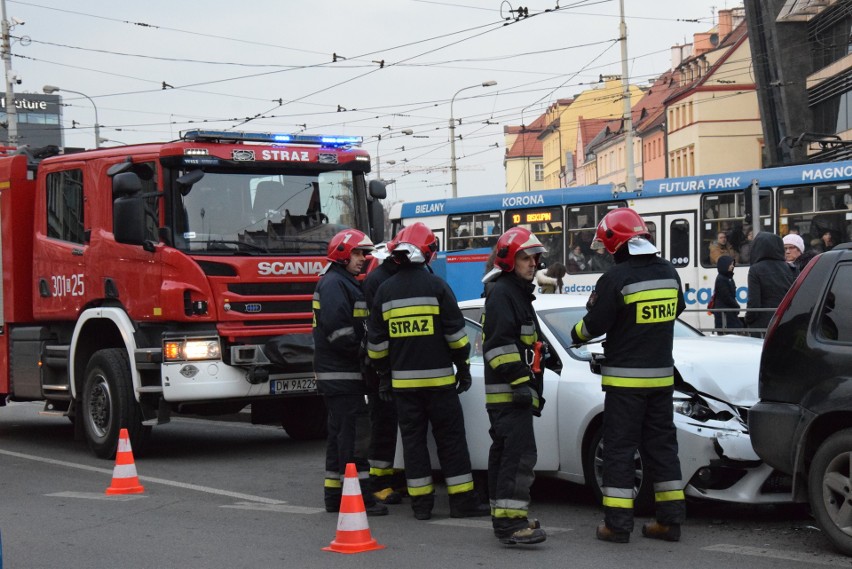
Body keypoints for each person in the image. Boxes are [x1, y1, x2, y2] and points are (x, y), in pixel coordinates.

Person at [569, 207, 686, 544]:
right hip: (662, 380)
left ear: (616, 245)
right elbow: (675, 309)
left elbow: (594, 324)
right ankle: (670, 522)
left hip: (625, 384)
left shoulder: (616, 279)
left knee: (619, 449)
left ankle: (618, 525)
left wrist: (574, 335)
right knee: (663, 448)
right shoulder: (669, 273)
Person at [366, 222, 489, 521]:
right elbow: (458, 338)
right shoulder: (437, 287)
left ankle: (421, 505)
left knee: (413, 443)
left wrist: (384, 375)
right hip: (440, 385)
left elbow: (376, 348)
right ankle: (461, 502)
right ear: (429, 253)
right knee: (451, 441)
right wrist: (463, 367)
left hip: (404, 388)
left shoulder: (385, 291)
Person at [481, 226, 549, 546]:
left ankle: (504, 517)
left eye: (534, 257)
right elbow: (497, 347)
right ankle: (512, 523)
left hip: (514, 394)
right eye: (525, 257)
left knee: (506, 456)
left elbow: (527, 346)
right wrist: (523, 384)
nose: (532, 263)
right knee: (518, 458)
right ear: (509, 260)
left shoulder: (516, 293)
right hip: (509, 395)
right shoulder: (503, 293)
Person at [312, 229, 388, 517]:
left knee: (339, 437)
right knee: (355, 437)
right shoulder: (334, 284)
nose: (363, 259)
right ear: (343, 254)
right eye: (358, 253)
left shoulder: (341, 282)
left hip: (340, 375)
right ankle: (361, 499)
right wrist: (366, 353)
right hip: (342, 374)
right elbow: (339, 331)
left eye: (365, 254)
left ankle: (335, 496)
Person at [361, 241, 405, 506]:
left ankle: (392, 477)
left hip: (398, 364)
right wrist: (383, 372)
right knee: (384, 424)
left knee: (399, 425)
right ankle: (379, 482)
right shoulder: (378, 281)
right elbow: (376, 329)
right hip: (381, 367)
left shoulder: (396, 277)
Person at [745, 231, 797, 337]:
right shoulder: (792, 269)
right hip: (786, 322)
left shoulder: (755, 269)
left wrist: (748, 319)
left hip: (763, 326)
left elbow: (754, 303)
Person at [712, 255, 743, 333]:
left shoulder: (728, 277)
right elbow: (726, 297)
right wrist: (736, 305)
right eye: (731, 264)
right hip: (725, 313)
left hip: (728, 312)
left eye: (733, 264)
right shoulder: (721, 279)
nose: (732, 266)